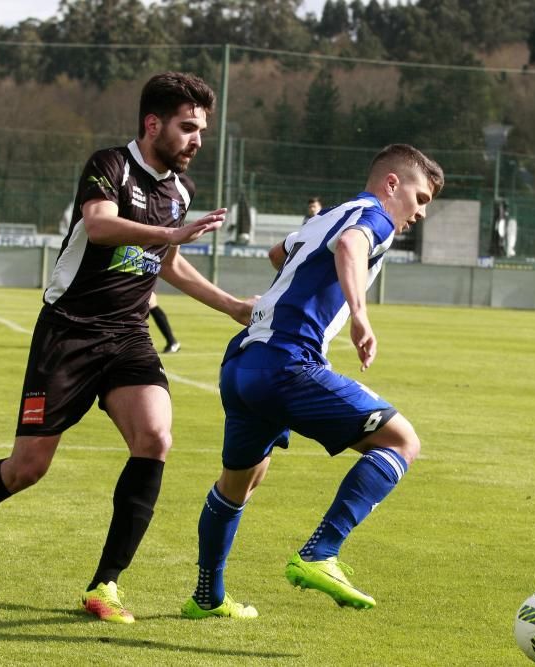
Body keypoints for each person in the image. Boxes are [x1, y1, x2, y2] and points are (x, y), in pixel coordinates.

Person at [0, 72, 255, 624]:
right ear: (152, 124)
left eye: (201, 130)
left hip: (128, 336)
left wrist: (232, 305)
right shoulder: (110, 165)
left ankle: (104, 586)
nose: (197, 140)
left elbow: (168, 265)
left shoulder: (180, 192)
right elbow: (98, 227)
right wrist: (168, 234)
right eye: (187, 127)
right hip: (68, 331)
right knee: (26, 468)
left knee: (156, 436)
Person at [180, 144, 444, 620]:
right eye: (420, 197)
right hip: (287, 361)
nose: (420, 212)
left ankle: (206, 597)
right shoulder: (374, 214)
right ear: (391, 184)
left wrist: (291, 291)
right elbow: (350, 247)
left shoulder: (334, 213)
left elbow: (279, 251)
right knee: (403, 441)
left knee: (239, 482)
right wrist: (360, 317)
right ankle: (321, 553)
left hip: (242, 363)